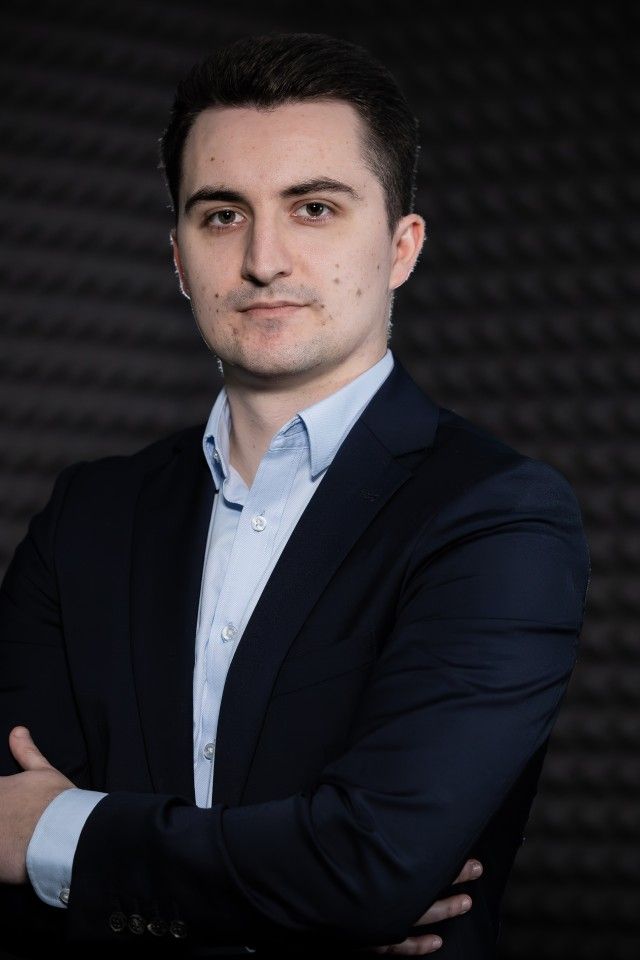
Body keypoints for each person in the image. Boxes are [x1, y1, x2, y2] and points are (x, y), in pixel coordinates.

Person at [0, 31, 590, 960]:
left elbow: (367, 867)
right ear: (178, 257)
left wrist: (60, 838)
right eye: (221, 215)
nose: (264, 258)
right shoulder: (87, 516)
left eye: (314, 208)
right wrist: (306, 903)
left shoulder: (498, 517)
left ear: (401, 247)